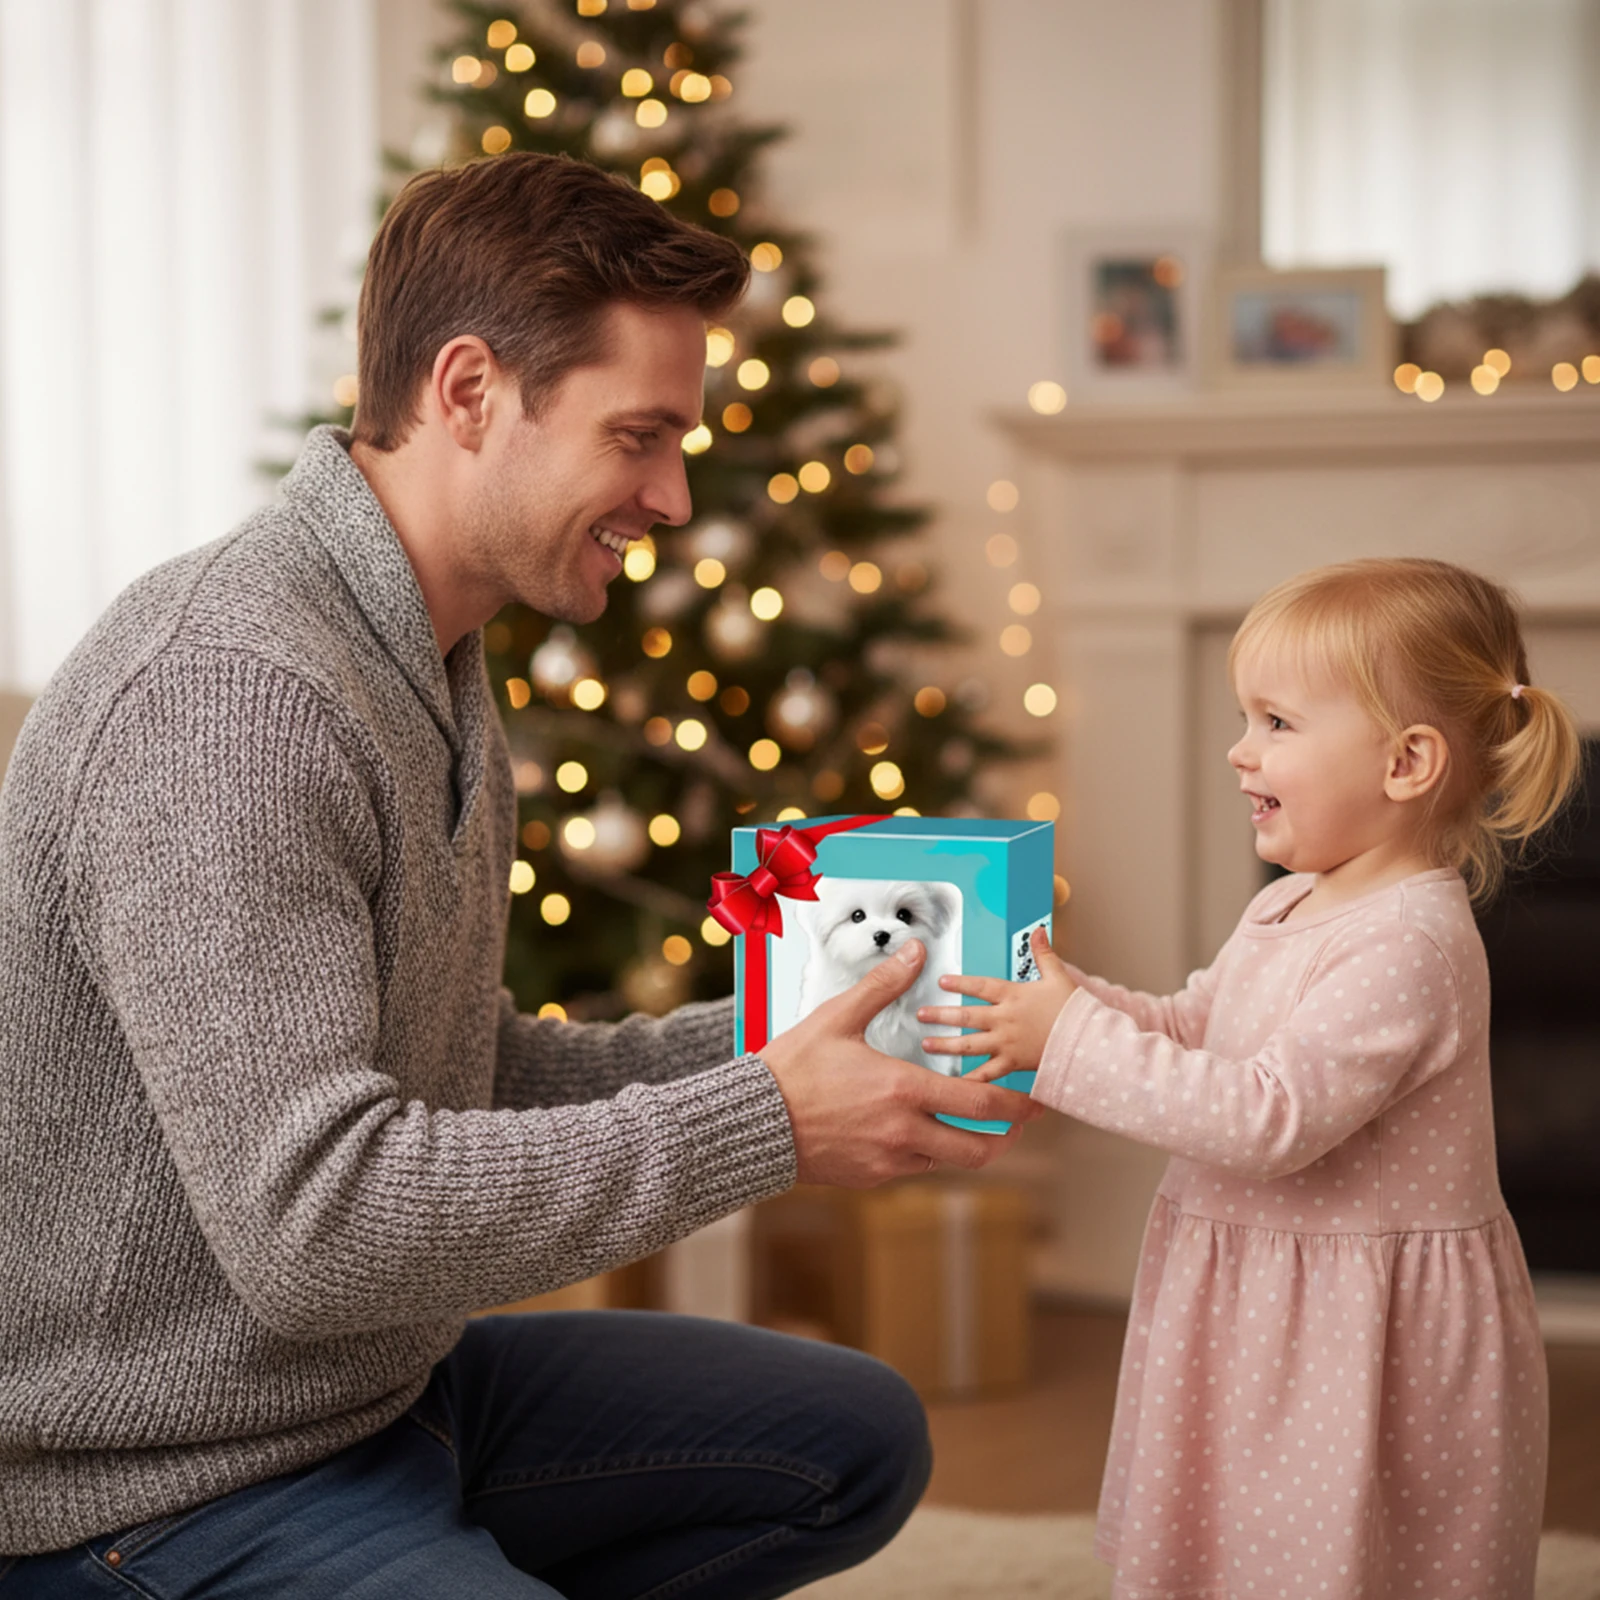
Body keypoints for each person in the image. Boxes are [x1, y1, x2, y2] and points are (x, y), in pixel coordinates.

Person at [0, 152, 1038, 1596]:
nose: (671, 497)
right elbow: (318, 1227)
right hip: (154, 1488)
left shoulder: (423, 653)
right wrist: (770, 1120)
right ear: (470, 391)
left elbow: (461, 1070)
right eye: (640, 437)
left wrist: (786, 1035)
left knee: (847, 1440)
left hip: (367, 1397)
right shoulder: (231, 699)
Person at [918, 558, 1579, 1598]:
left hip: (1354, 1327)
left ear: (1406, 761)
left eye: (1275, 722)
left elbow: (1269, 1118)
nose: (1238, 750)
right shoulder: (1290, 901)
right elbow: (1196, 1028)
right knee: (1226, 1544)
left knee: (1339, 1562)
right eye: (1244, 717)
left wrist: (1072, 1040)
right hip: (1258, 1297)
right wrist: (1058, 1005)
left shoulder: (1409, 942)